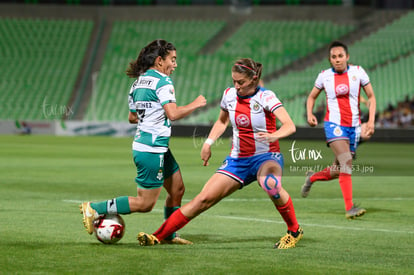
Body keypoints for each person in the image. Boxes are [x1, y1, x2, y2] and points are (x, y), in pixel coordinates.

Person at [137, 58, 303, 249]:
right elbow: (222, 122)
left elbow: (290, 125)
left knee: (270, 183)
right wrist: (208, 143)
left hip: (266, 157)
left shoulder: (267, 97)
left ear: (253, 79)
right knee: (203, 199)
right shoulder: (229, 95)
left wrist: (274, 135)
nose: (236, 86)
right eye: (234, 81)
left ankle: (294, 230)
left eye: (241, 82)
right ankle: (158, 236)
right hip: (237, 160)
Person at [80, 39, 207, 244]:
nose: (175, 65)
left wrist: (151, 115)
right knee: (145, 203)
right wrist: (196, 104)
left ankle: (168, 235)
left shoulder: (137, 83)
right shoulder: (163, 82)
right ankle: (95, 208)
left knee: (177, 189)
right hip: (151, 149)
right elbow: (173, 114)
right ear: (159, 61)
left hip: (154, 145)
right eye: (172, 60)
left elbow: (132, 117)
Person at [301, 41, 376, 219]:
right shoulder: (324, 76)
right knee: (346, 162)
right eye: (333, 57)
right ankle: (350, 208)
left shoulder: (358, 72)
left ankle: (312, 178)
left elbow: (371, 96)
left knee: (338, 169)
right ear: (329, 59)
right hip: (334, 125)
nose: (337, 60)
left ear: (347, 57)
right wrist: (309, 113)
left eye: (340, 56)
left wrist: (371, 120)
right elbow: (312, 96)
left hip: (354, 127)